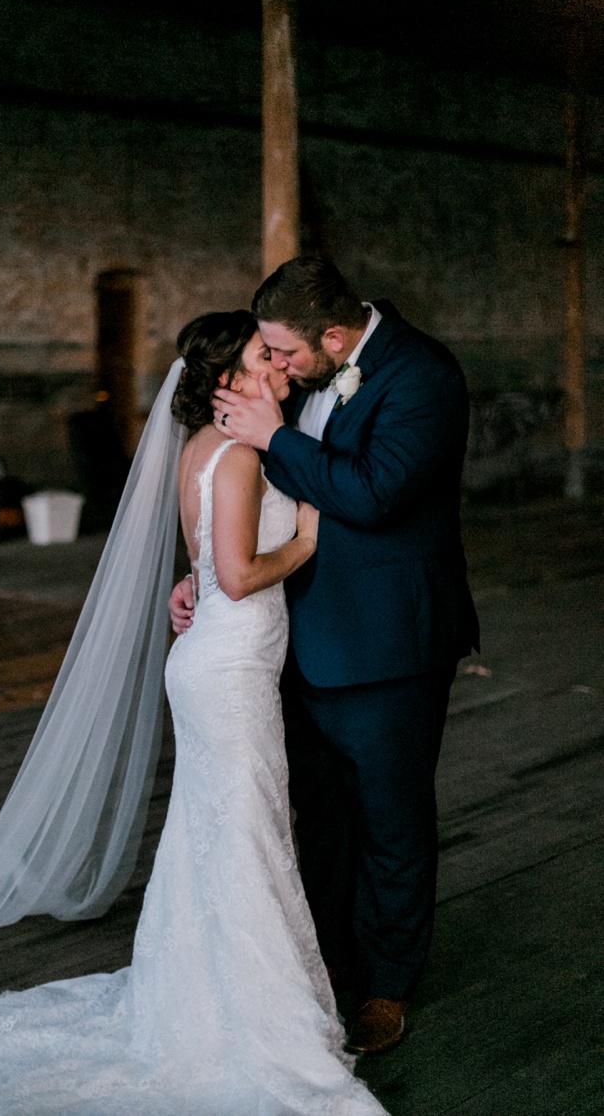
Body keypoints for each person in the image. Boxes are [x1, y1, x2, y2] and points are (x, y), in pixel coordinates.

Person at [0, 313, 387, 1114]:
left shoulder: (205, 451)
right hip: (230, 664)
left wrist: (197, 589)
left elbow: (205, 566)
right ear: (227, 383)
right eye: (258, 356)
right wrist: (307, 540)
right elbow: (238, 577)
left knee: (219, 834)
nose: (275, 364)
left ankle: (203, 995)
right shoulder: (242, 455)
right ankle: (251, 1023)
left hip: (211, 657)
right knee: (248, 834)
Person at [188, 256, 479, 1054]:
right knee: (319, 818)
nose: (276, 366)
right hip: (294, 640)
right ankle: (329, 967)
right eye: (269, 354)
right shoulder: (309, 370)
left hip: (389, 642)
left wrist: (274, 435)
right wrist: (204, 579)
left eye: (284, 354)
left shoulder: (423, 377)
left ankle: (387, 986)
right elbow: (258, 500)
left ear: (336, 334)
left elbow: (374, 495)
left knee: (391, 819)